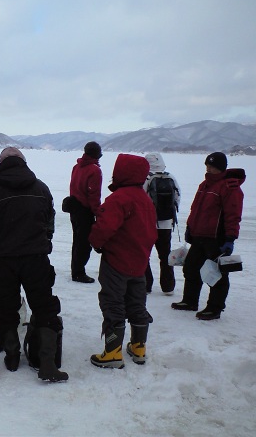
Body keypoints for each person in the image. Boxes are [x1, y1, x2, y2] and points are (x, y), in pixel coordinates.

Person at [0, 147, 68, 382]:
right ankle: (46, 362)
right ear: (23, 162)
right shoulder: (41, 188)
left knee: (6, 309)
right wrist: (44, 243)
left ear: (2, 163)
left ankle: (12, 355)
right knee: (45, 308)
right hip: (36, 259)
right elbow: (49, 222)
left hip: (3, 261)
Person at [88, 154, 157, 369]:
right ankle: (138, 347)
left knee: (112, 302)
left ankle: (113, 352)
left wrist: (95, 242)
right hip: (139, 263)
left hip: (116, 261)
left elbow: (104, 228)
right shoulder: (145, 199)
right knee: (137, 304)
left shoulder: (119, 198)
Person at [172, 152, 245, 320]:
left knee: (216, 273)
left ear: (221, 168)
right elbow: (195, 209)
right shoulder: (205, 185)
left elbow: (233, 215)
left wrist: (229, 239)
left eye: (212, 167)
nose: (208, 169)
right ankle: (190, 301)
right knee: (190, 268)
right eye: (207, 166)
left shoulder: (230, 187)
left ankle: (215, 307)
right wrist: (190, 228)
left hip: (216, 238)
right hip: (199, 235)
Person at [143, 152, 181, 295]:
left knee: (144, 255)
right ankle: (168, 286)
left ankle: (146, 284)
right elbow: (177, 197)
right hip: (166, 224)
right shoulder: (170, 177)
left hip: (148, 224)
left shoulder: (146, 178)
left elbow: (141, 198)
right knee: (165, 255)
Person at [68, 141, 103, 283]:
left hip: (74, 208)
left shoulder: (77, 166)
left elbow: (74, 187)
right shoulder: (94, 170)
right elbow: (94, 195)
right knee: (83, 243)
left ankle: (76, 270)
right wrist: (98, 212)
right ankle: (78, 273)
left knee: (77, 241)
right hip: (84, 210)